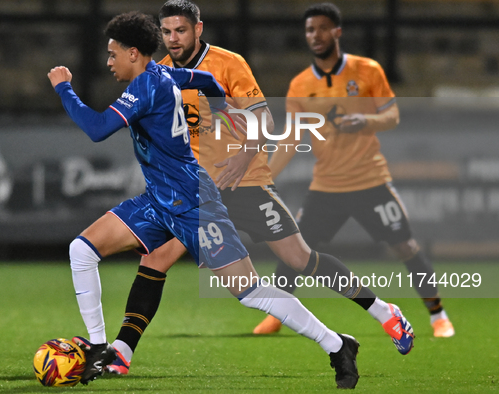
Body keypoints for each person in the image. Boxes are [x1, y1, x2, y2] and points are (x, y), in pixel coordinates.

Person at [48, 11, 360, 389]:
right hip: (160, 200)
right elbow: (207, 80)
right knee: (82, 250)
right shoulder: (165, 74)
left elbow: (97, 129)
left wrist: (64, 87)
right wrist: (225, 110)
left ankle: (337, 344)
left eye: (113, 54)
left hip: (195, 205)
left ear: (134, 53)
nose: (108, 62)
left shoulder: (146, 86)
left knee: (249, 291)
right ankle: (100, 346)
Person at [104, 0, 413, 380]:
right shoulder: (159, 73)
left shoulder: (228, 64)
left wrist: (240, 158)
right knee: (155, 259)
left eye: (180, 31)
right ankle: (121, 352)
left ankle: (384, 311)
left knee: (300, 259)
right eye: (166, 32)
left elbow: (263, 118)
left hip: (243, 182)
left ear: (198, 29)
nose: (173, 39)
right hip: (195, 194)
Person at [253, 2, 454, 339]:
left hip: (370, 181)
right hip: (326, 186)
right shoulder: (300, 85)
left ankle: (438, 316)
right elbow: (290, 138)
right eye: (309, 30)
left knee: (405, 247)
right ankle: (278, 315)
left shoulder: (368, 70)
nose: (315, 35)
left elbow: (391, 116)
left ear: (337, 32)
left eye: (321, 28)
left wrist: (366, 120)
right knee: (295, 249)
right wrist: (265, 176)